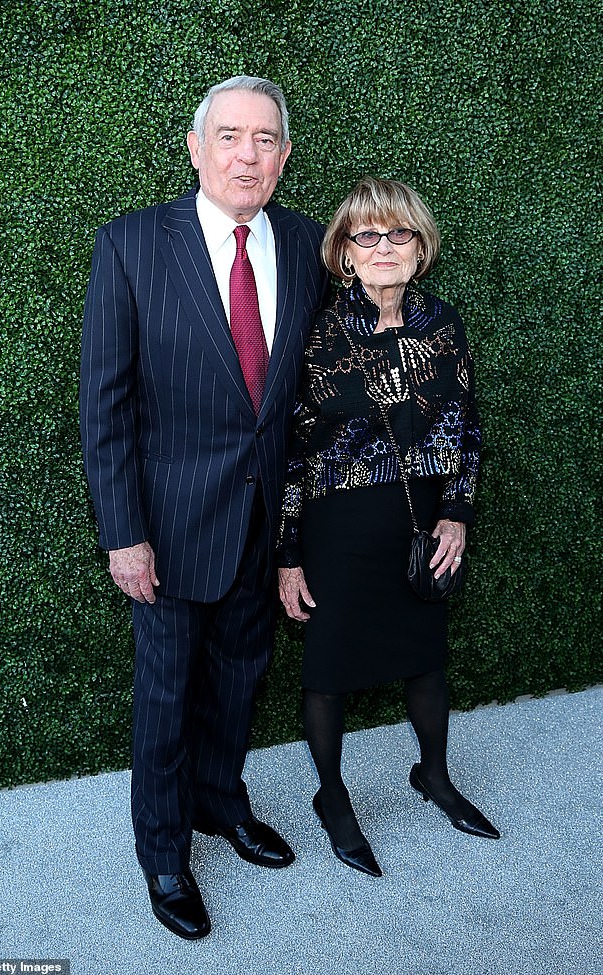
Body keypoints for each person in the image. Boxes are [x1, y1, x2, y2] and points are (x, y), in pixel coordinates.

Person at [80, 76, 327, 939]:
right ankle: (163, 852)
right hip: (171, 528)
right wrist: (125, 536)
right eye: (229, 136)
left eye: (265, 140)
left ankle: (223, 803)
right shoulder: (132, 245)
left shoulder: (305, 244)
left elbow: (310, 392)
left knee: (238, 679)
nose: (247, 155)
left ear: (285, 156)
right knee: (165, 694)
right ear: (196, 148)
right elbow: (105, 408)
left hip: (264, 528)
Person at [278, 176, 499, 879]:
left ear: (420, 245)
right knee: (330, 667)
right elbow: (290, 446)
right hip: (336, 524)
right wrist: (287, 554)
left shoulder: (443, 324)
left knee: (425, 656)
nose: (382, 246)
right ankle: (333, 797)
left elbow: (466, 426)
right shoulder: (316, 331)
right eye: (365, 235)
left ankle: (433, 775)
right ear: (344, 251)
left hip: (422, 518)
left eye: (397, 232)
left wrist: (457, 513)